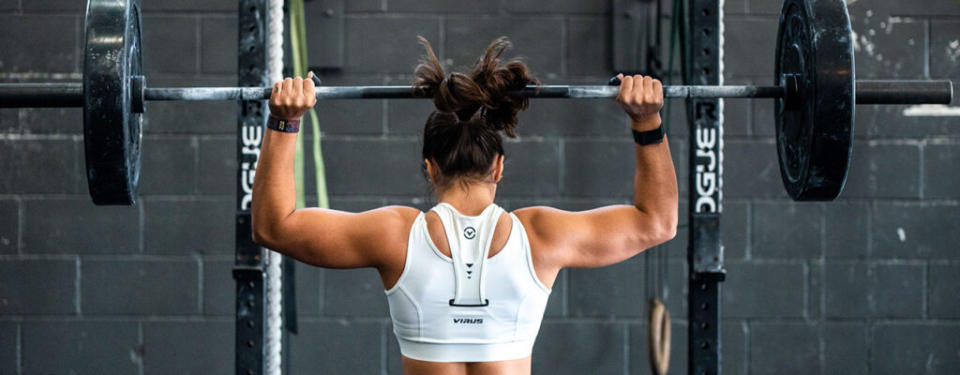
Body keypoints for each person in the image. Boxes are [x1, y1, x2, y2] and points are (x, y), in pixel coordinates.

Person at [251, 37, 678, 375]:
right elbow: (657, 222)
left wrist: (284, 121)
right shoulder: (541, 236)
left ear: (429, 167)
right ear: (498, 167)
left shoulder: (395, 235)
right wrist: (647, 122)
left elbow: (274, 227)